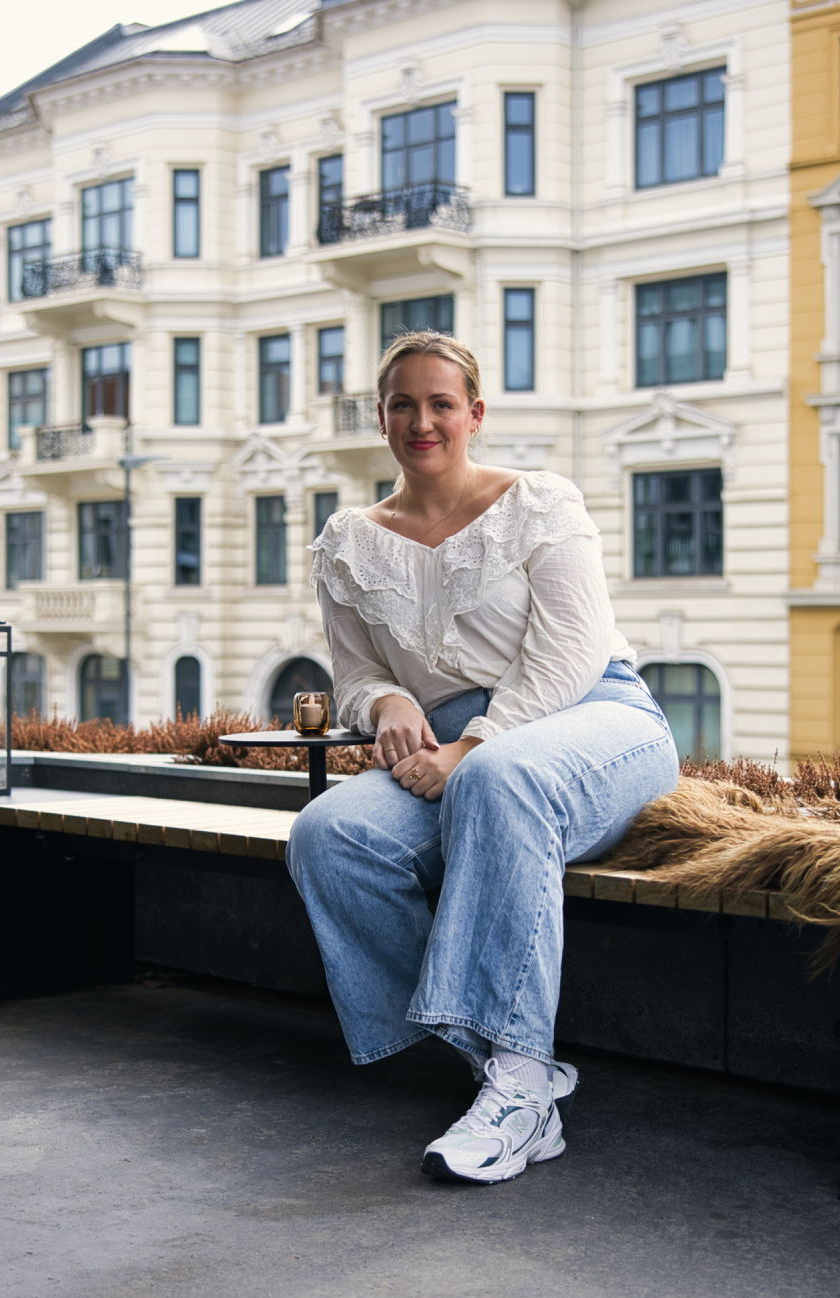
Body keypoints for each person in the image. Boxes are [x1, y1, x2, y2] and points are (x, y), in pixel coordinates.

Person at [287, 331, 680, 1183]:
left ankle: (521, 1093)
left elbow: (571, 650)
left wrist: (474, 744)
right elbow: (355, 674)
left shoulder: (541, 502)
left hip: (596, 719)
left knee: (502, 779)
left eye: (440, 403)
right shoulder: (348, 541)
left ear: (474, 413)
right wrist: (387, 703)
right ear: (382, 418)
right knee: (329, 836)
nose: (421, 420)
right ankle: (509, 1065)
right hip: (454, 746)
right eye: (402, 404)